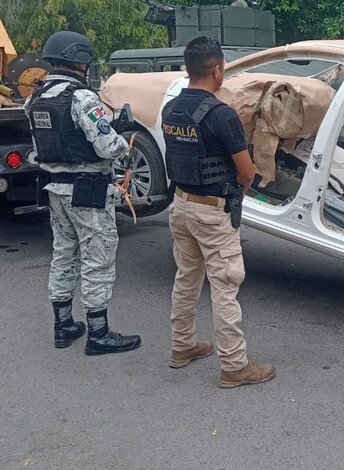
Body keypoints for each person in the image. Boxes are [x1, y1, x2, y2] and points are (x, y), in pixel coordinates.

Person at [163, 36, 275, 388]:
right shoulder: (221, 115)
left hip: (180, 206)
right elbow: (246, 172)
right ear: (217, 70)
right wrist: (239, 190)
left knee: (187, 279)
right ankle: (234, 366)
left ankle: (182, 347)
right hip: (212, 212)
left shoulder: (171, 109)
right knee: (225, 286)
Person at [25, 31, 141, 355]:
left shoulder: (36, 97)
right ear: (80, 61)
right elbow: (107, 146)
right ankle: (99, 333)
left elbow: (39, 147)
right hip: (87, 191)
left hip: (53, 187)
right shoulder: (82, 98)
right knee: (97, 256)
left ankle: (63, 326)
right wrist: (123, 144)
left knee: (63, 253)